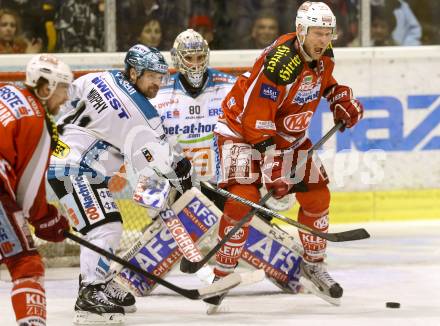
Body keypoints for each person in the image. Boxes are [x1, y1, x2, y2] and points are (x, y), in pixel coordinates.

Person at [207, 1, 364, 310]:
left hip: (285, 137)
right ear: (302, 31)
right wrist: (273, 167)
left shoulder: (322, 55)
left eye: (328, 34)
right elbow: (256, 120)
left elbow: (324, 82)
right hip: (242, 132)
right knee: (242, 200)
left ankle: (313, 264)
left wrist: (340, 98)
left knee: (317, 196)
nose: (323, 40)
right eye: (317, 33)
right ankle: (222, 273)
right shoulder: (280, 64)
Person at [47, 44, 192, 325]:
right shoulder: (142, 112)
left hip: (68, 164)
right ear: (134, 71)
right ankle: (90, 292)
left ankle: (96, 281)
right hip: (75, 169)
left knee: (104, 224)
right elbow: (159, 160)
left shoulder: (99, 77)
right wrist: (182, 173)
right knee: (105, 226)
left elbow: (66, 99)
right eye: (152, 76)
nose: (157, 84)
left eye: (161, 77)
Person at [0, 54, 72, 325]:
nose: (66, 97)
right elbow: (28, 198)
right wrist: (48, 221)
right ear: (46, 88)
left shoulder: (7, 92)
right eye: (63, 87)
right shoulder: (36, 120)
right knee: (26, 263)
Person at [151, 28, 235, 204]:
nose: (195, 64)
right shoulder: (158, 93)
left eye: (200, 57)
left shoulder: (230, 87)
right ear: (176, 58)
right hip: (179, 183)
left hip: (222, 184)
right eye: (189, 58)